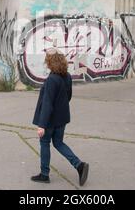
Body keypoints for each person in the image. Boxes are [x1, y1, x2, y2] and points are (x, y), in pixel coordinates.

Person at [31, 48, 89, 186]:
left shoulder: (52, 79)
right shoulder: (67, 76)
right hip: (62, 118)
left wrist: (42, 125)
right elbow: (68, 96)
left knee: (45, 143)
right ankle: (79, 165)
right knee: (58, 143)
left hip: (50, 120)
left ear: (50, 62)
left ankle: (44, 174)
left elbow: (47, 103)